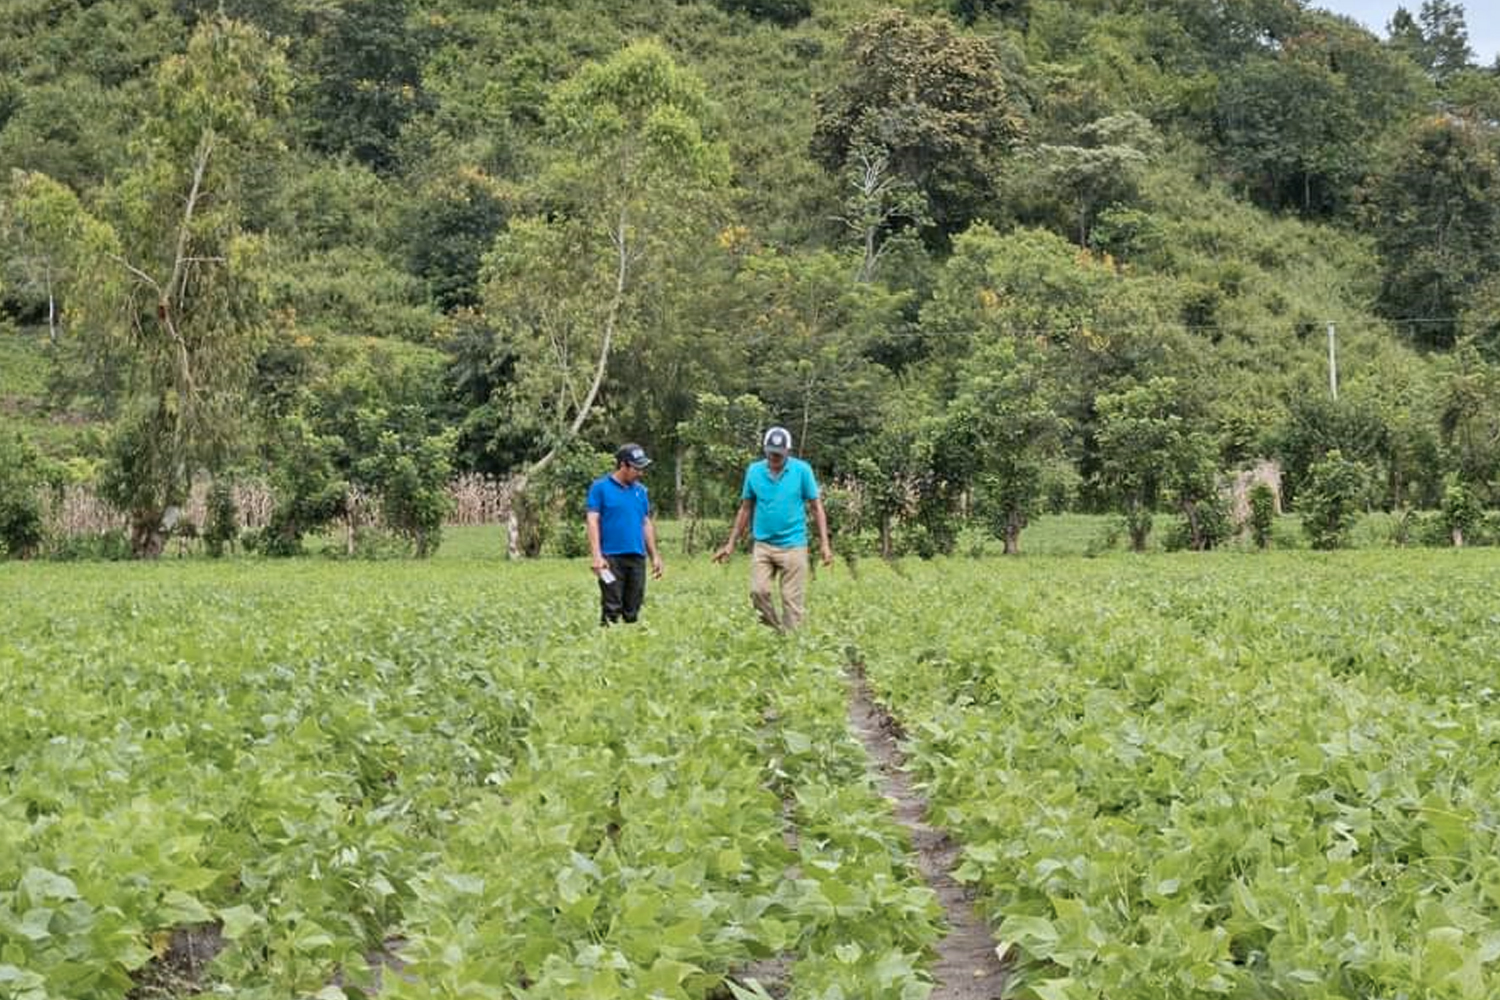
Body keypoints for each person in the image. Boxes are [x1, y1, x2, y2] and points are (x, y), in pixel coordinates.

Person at [712, 426, 833, 631]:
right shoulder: (754, 471)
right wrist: (730, 543)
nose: (774, 457)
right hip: (764, 544)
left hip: (793, 544)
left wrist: (825, 544)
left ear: (788, 451)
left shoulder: (802, 470)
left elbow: (816, 507)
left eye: (778, 453)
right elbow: (745, 508)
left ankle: (791, 645)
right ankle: (775, 632)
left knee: (791, 600)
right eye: (770, 452)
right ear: (765, 450)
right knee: (758, 592)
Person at [586, 443, 664, 625]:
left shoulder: (641, 491)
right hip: (611, 557)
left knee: (633, 608)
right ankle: (607, 644)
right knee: (612, 606)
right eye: (637, 468)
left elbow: (645, 522)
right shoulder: (600, 488)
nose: (641, 473)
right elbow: (592, 520)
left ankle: (629, 645)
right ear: (623, 465)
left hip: (637, 556)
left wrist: (655, 556)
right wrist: (597, 556)